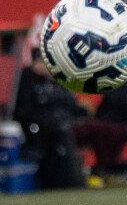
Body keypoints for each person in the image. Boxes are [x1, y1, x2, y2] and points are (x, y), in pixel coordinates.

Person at [12, 48, 87, 188]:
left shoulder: (57, 80)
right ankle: (60, 182)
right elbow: (23, 109)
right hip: (37, 127)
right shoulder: (27, 78)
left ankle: (74, 180)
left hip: (62, 124)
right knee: (59, 135)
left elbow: (70, 104)